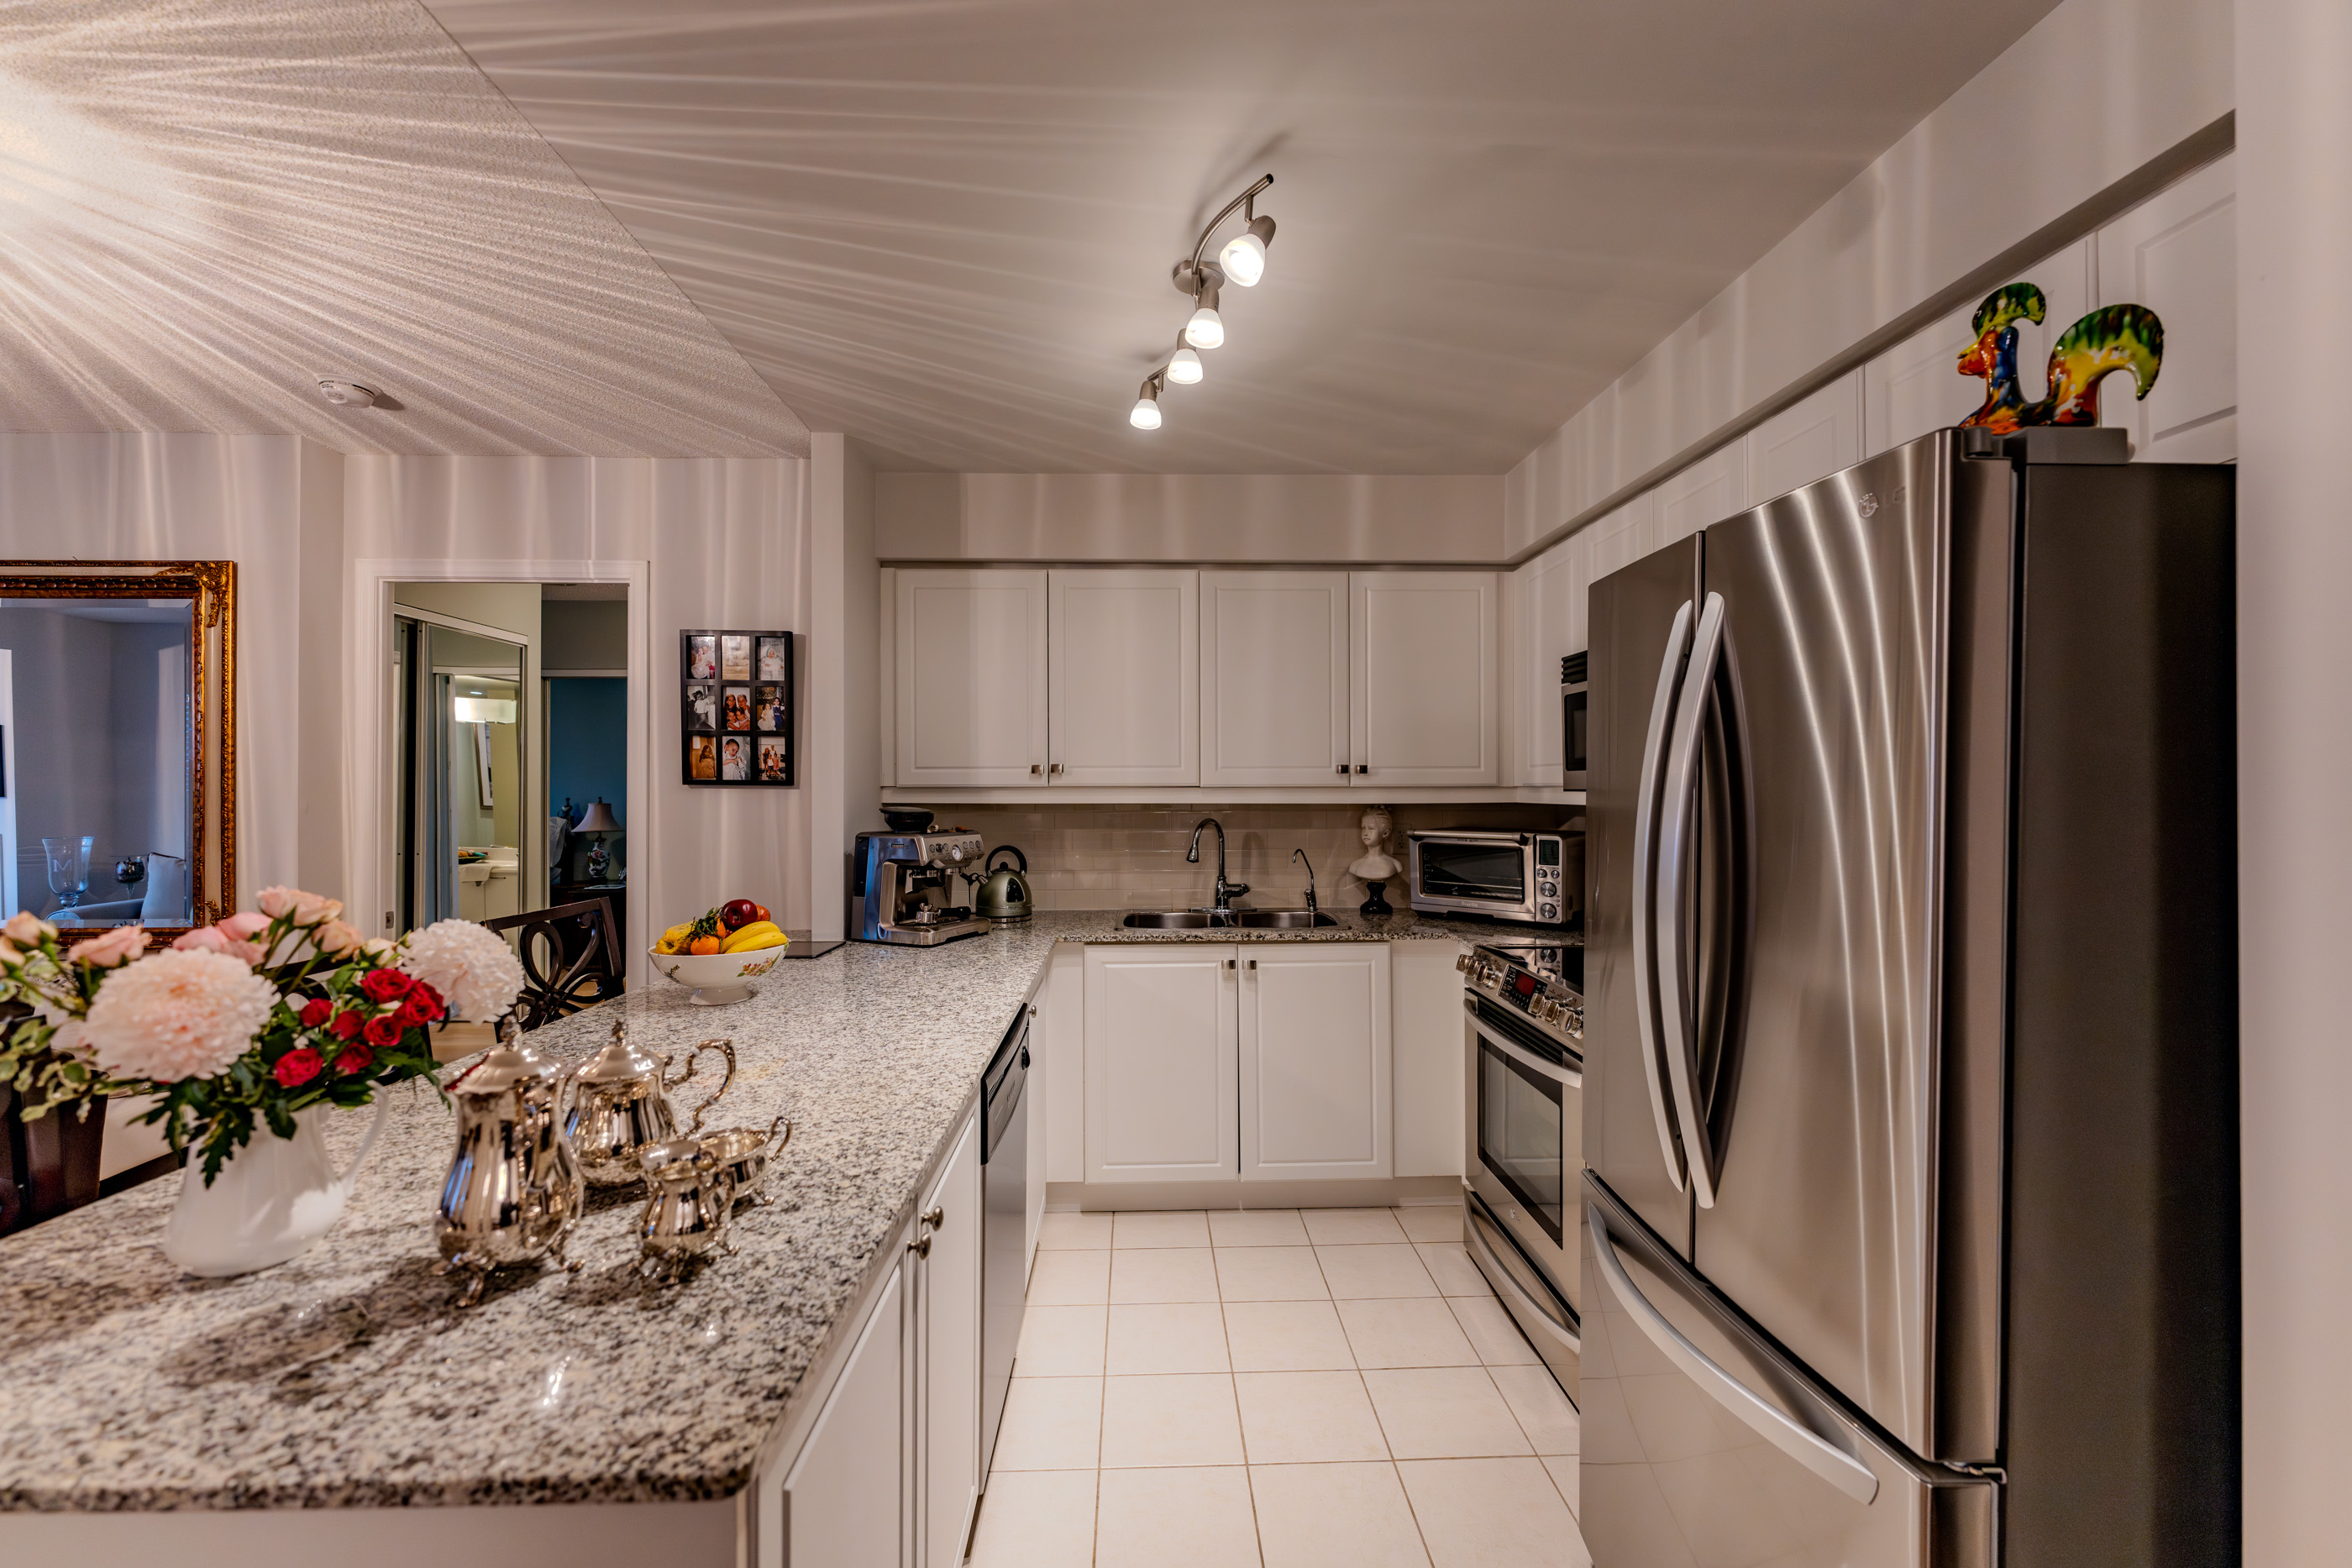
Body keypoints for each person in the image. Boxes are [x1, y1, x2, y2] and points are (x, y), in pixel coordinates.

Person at [1348, 807, 1402, 915]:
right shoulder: (1355, 866)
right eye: (1363, 828)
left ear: (1385, 833)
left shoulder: (1394, 865)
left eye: (1371, 828)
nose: (1365, 833)